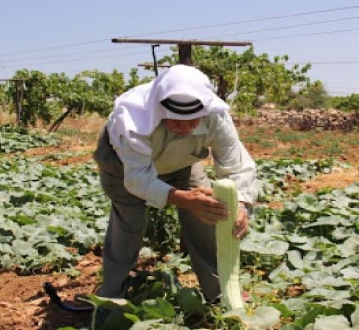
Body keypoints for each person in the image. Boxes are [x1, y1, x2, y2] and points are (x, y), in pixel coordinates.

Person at [92, 64, 257, 303]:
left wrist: (240, 204)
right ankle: (111, 296)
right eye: (176, 121)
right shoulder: (132, 117)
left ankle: (220, 292)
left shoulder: (216, 117)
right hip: (124, 167)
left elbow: (237, 166)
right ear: (160, 109)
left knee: (208, 214)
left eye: (192, 121)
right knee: (129, 224)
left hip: (181, 163)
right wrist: (183, 199)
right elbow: (138, 178)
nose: (183, 128)